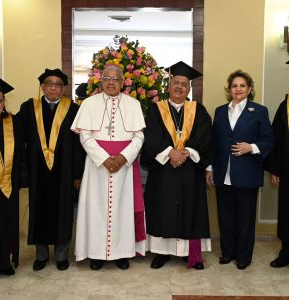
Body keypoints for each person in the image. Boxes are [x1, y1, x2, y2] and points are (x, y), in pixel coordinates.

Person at [71, 64, 146, 270]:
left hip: (124, 166)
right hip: (97, 166)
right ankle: (97, 254)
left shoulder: (133, 104)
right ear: (101, 80)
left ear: (123, 82)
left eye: (115, 79)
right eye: (107, 78)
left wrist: (123, 158)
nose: (111, 82)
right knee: (95, 209)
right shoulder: (88, 104)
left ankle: (121, 253)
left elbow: (139, 136)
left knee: (123, 209)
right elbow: (85, 136)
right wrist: (104, 159)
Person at [140, 61, 212, 270]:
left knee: (191, 208)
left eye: (184, 84)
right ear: (168, 86)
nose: (179, 87)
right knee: (162, 208)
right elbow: (151, 136)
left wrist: (186, 152)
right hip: (164, 169)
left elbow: (205, 135)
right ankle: (161, 253)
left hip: (190, 169)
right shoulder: (155, 109)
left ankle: (188, 253)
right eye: (175, 83)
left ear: (189, 89)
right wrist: (170, 152)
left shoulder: (198, 109)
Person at [206, 70, 274, 270]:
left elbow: (269, 140)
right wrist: (209, 168)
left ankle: (243, 256)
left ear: (249, 89)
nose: (238, 89)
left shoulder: (259, 111)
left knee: (245, 218)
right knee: (225, 217)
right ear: (229, 89)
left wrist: (250, 147)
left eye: (242, 85)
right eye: (234, 86)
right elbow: (213, 143)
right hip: (222, 173)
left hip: (247, 173)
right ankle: (228, 253)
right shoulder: (220, 111)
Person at [17, 68, 84, 271]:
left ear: (63, 88)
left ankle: (62, 255)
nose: (53, 87)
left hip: (63, 172)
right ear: (42, 86)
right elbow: (18, 138)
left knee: (63, 211)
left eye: (58, 84)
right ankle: (42, 255)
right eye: (49, 83)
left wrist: (77, 174)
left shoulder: (73, 109)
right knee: (39, 211)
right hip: (38, 171)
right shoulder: (29, 108)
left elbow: (79, 145)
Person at [0, 76, 21, 281]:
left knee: (7, 223)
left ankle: (4, 261)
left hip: (8, 180)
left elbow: (21, 153)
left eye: (0, 100)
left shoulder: (13, 122)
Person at [265, 93, 289, 268]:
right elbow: (276, 137)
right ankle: (286, 253)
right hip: (288, 170)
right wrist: (275, 168)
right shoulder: (286, 105)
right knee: (288, 212)